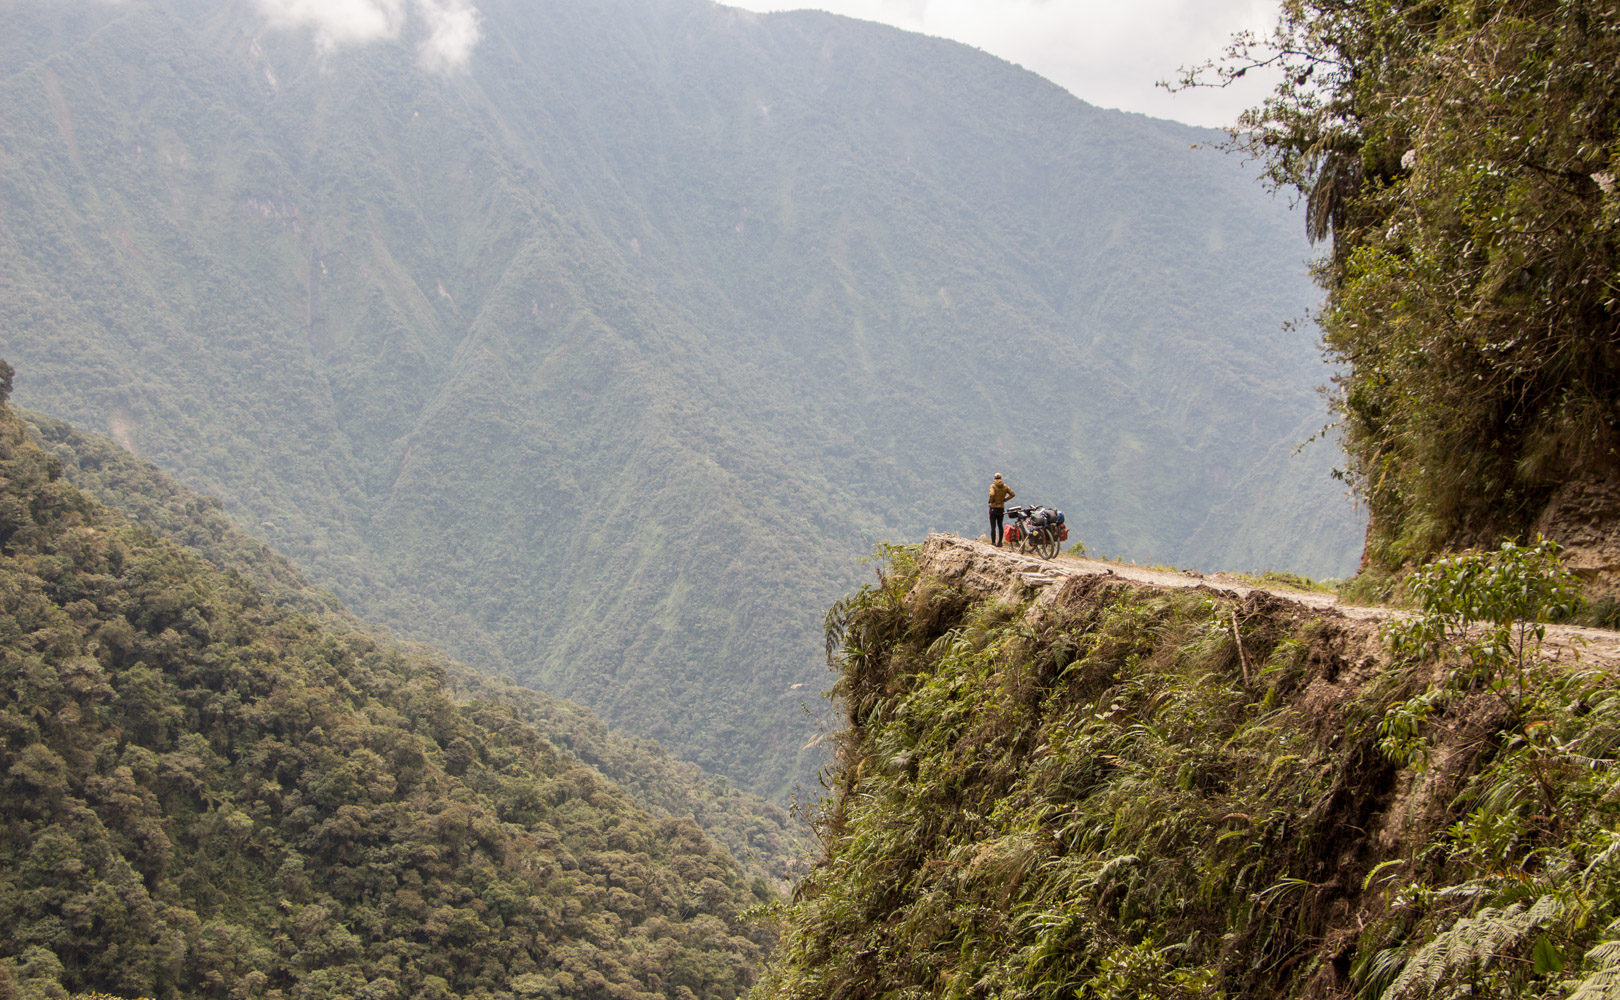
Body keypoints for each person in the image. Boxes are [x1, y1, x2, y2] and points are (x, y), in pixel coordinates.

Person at [988, 473, 1015, 546]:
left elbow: (992, 494)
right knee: (1000, 525)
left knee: (993, 526)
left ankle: (993, 542)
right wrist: (1005, 500)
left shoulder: (992, 486)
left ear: (994, 478)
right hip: (1001, 508)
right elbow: (1012, 494)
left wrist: (991, 501)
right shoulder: (1005, 486)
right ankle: (1000, 542)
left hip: (993, 508)